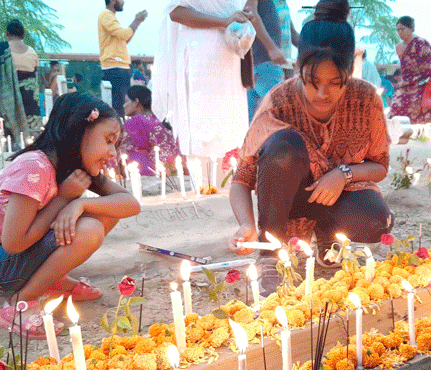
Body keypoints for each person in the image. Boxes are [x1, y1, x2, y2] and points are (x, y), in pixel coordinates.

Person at [228, 0, 393, 296]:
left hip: (340, 195)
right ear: (298, 68)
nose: (321, 93)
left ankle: (329, 237)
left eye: (335, 83)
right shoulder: (279, 102)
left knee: (375, 221)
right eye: (312, 81)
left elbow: (379, 166)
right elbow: (241, 179)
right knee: (285, 146)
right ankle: (270, 255)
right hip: (288, 198)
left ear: (349, 73)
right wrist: (246, 226)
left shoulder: (366, 99)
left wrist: (343, 174)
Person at [0, 93, 141, 339]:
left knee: (103, 213)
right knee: (89, 230)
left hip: (12, 257)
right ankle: (19, 304)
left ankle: (51, 281)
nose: (112, 153)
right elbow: (14, 243)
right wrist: (64, 199)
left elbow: (130, 204)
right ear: (78, 132)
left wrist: (80, 206)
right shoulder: (34, 166)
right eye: (108, 140)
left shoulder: (75, 168)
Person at [153, 0, 253, 158]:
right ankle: (203, 181)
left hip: (230, 54)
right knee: (201, 135)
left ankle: (227, 180)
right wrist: (224, 21)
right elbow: (176, 13)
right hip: (199, 57)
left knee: (230, 134)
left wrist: (243, 16)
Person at [246, 0, 296, 121]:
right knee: (281, 117)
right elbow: (250, 12)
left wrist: (313, 50)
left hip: (279, 65)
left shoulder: (282, 3)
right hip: (265, 63)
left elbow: (293, 35)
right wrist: (272, 48)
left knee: (256, 121)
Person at [389, 16, 431, 124]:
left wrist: (429, 80)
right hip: (405, 84)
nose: (400, 32)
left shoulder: (421, 43)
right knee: (396, 105)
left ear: (412, 28)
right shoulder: (399, 47)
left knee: (420, 107)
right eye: (398, 30)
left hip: (422, 84)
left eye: (402, 29)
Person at [98, 0, 148, 117]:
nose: (123, 2)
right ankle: (119, 133)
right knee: (119, 107)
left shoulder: (110, 16)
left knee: (121, 106)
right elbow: (124, 34)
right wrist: (137, 20)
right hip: (115, 67)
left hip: (118, 67)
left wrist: (137, 22)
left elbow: (124, 39)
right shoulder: (106, 15)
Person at [122, 85, 181, 176]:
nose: (123, 105)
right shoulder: (159, 118)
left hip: (155, 170)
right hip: (176, 167)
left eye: (126, 101)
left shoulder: (136, 121)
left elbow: (128, 151)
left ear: (136, 102)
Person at [4, 19, 42, 135]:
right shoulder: (32, 51)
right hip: (31, 101)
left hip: (10, 101)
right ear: (23, 35)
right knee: (32, 136)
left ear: (7, 34)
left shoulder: (3, 51)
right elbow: (35, 72)